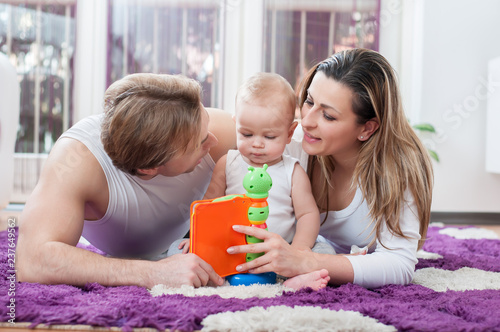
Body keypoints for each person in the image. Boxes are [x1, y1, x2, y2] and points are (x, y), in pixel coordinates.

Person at [226, 48, 434, 289]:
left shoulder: (394, 171)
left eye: (328, 116)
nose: (307, 121)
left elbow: (399, 264)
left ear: (366, 129)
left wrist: (305, 261)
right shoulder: (287, 148)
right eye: (309, 101)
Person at [16, 73, 236, 289]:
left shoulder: (219, 129)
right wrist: (153, 273)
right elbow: (32, 260)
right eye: (201, 143)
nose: (214, 141)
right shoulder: (78, 158)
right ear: (148, 168)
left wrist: (272, 242)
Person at [174, 72, 331, 290]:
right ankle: (213, 273)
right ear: (235, 124)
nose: (257, 144)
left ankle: (293, 280)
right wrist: (197, 239)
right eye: (246, 134)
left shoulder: (291, 170)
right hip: (230, 251)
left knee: (326, 251)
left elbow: (307, 214)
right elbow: (209, 205)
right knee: (177, 249)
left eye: (269, 137)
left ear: (289, 133)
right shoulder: (227, 162)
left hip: (278, 258)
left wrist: (299, 250)